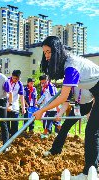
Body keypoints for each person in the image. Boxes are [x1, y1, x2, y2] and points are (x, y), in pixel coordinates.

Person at [33, 36, 99, 179]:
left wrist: (42, 111)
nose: (47, 56)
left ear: (57, 50)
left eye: (49, 52)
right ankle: (91, 168)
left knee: (91, 131)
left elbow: (63, 97)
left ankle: (89, 172)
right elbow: (67, 96)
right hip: (95, 91)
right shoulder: (65, 64)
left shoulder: (71, 66)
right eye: (45, 53)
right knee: (92, 131)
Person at [43, 87, 93, 157]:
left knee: (93, 130)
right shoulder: (72, 85)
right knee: (64, 127)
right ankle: (55, 150)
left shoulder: (91, 81)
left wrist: (91, 113)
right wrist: (59, 114)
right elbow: (66, 103)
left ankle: (94, 154)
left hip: (91, 105)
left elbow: (96, 99)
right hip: (78, 107)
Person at [7, 70, 26, 137]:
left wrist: (23, 107)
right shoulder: (6, 81)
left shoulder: (20, 84)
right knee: (6, 122)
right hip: (6, 105)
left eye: (17, 79)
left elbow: (21, 96)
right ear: (12, 76)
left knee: (15, 122)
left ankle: (14, 136)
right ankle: (6, 136)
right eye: (14, 78)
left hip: (15, 106)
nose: (15, 80)